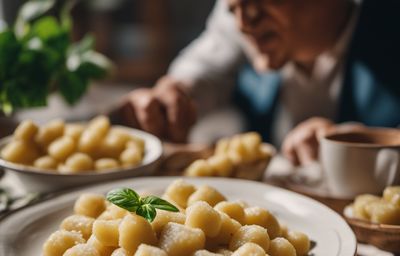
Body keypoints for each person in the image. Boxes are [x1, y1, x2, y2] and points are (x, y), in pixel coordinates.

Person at [113, 0, 400, 165]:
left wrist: (369, 144)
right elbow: (204, 65)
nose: (243, 23)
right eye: (232, 7)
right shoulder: (247, 13)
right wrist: (172, 93)